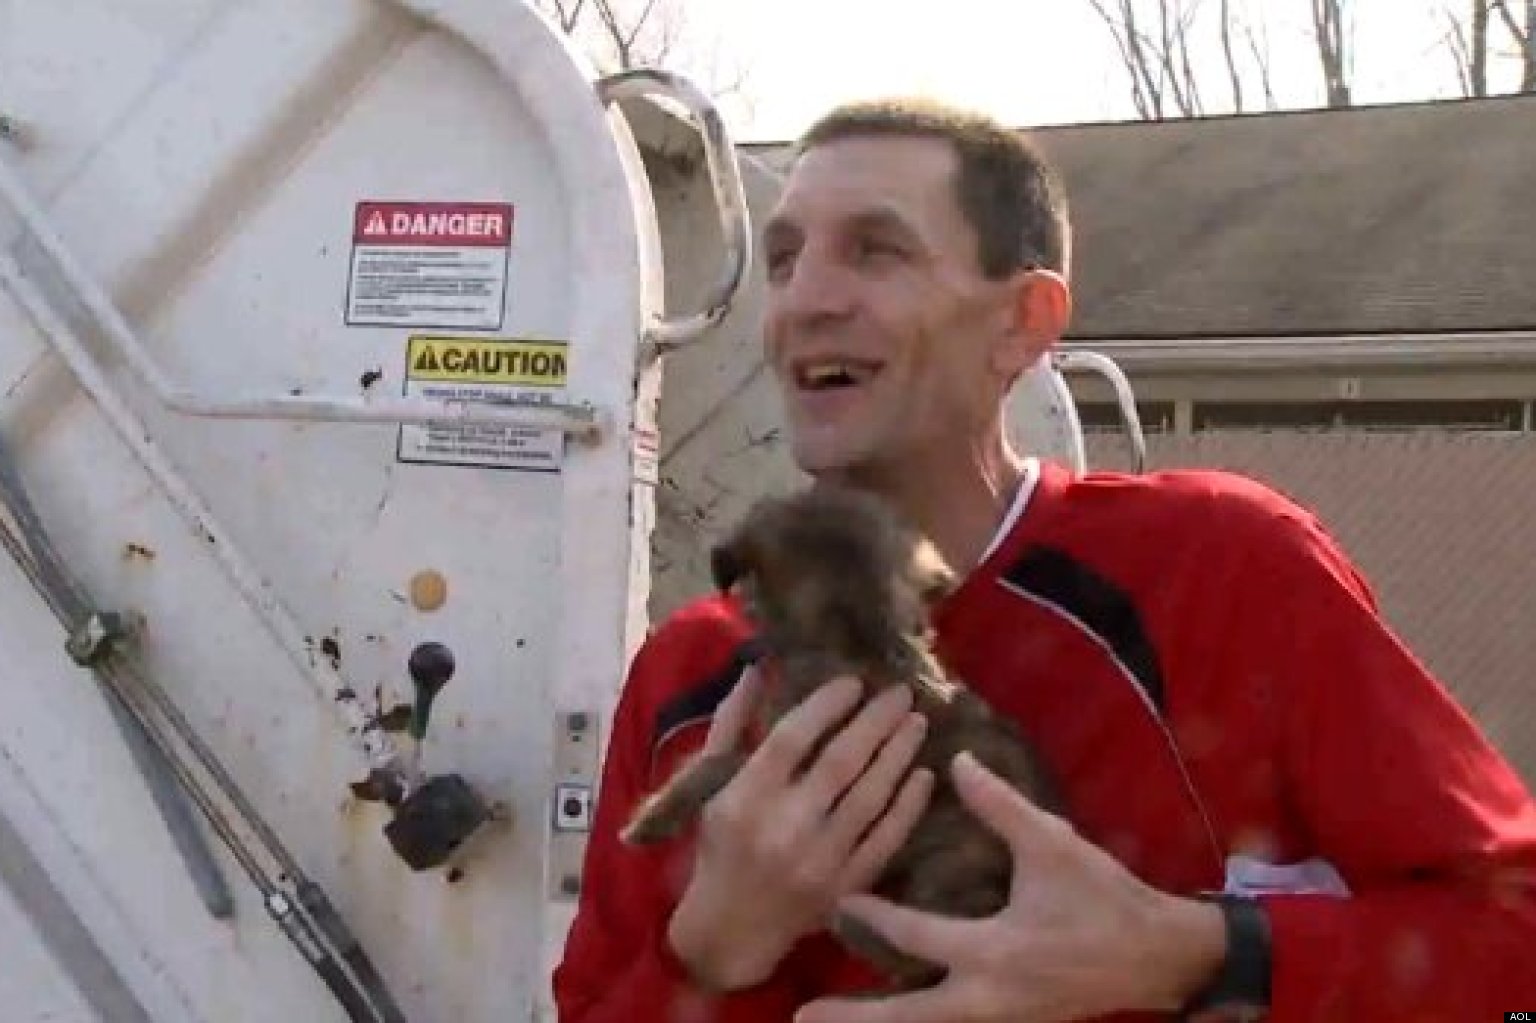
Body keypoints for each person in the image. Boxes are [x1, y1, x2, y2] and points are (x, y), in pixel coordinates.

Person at [551, 97, 1536, 1022]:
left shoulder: (1222, 574)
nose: (805, 300)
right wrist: (714, 943)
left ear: (1024, 322)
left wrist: (1187, 950)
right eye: (784, 260)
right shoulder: (692, 674)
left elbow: (1511, 924)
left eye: (877, 252)